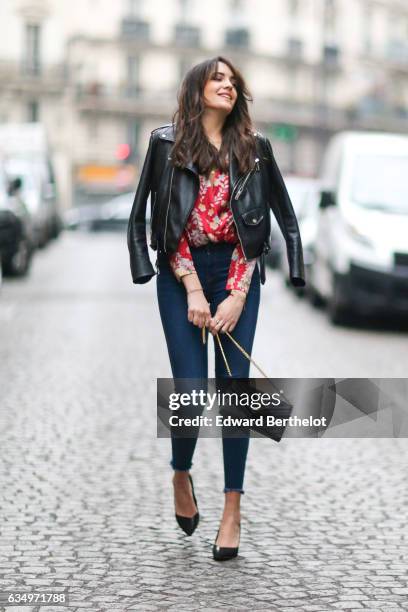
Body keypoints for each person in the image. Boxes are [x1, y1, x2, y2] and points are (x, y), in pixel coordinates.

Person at [127, 56, 305, 561]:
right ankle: (180, 472)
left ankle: (232, 511)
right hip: (182, 275)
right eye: (217, 78)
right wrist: (192, 288)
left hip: (236, 276)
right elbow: (154, 217)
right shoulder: (165, 144)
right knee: (189, 393)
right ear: (196, 88)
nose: (227, 85)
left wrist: (237, 294)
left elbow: (269, 226)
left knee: (234, 396)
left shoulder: (256, 148)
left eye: (233, 81)